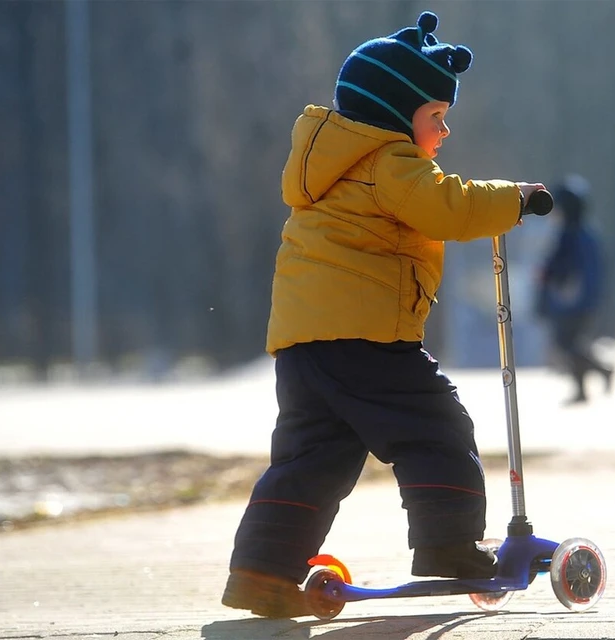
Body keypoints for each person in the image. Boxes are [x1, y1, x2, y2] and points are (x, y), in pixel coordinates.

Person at [221, 12, 547, 618]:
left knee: (313, 458)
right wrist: (515, 198)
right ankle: (450, 546)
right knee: (436, 428)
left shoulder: (334, 168)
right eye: (436, 117)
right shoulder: (389, 161)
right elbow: (447, 207)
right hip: (364, 338)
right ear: (396, 114)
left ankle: (261, 571)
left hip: (304, 343)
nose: (443, 132)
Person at [535, 175, 615, 403]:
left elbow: (563, 264)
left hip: (572, 298)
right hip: (584, 298)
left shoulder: (571, 234)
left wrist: (548, 274)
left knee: (567, 343)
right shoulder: (587, 233)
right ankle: (588, 384)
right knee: (573, 343)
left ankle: (600, 373)